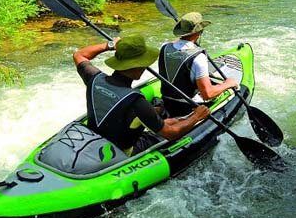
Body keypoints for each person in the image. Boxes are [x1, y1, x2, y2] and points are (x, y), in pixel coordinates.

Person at [73, 34, 210, 156]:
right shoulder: (136, 101)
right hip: (122, 152)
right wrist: (196, 116)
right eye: (144, 64)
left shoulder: (94, 78)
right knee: (163, 134)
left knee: (162, 120)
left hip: (97, 140)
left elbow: (79, 55)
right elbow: (170, 133)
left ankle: (162, 119)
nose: (145, 67)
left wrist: (110, 45)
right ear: (137, 67)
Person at [158, 12, 238, 117]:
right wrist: (228, 84)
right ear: (200, 31)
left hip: (167, 102)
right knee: (219, 87)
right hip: (187, 109)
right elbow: (207, 94)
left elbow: (178, 46)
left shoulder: (164, 47)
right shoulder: (199, 58)